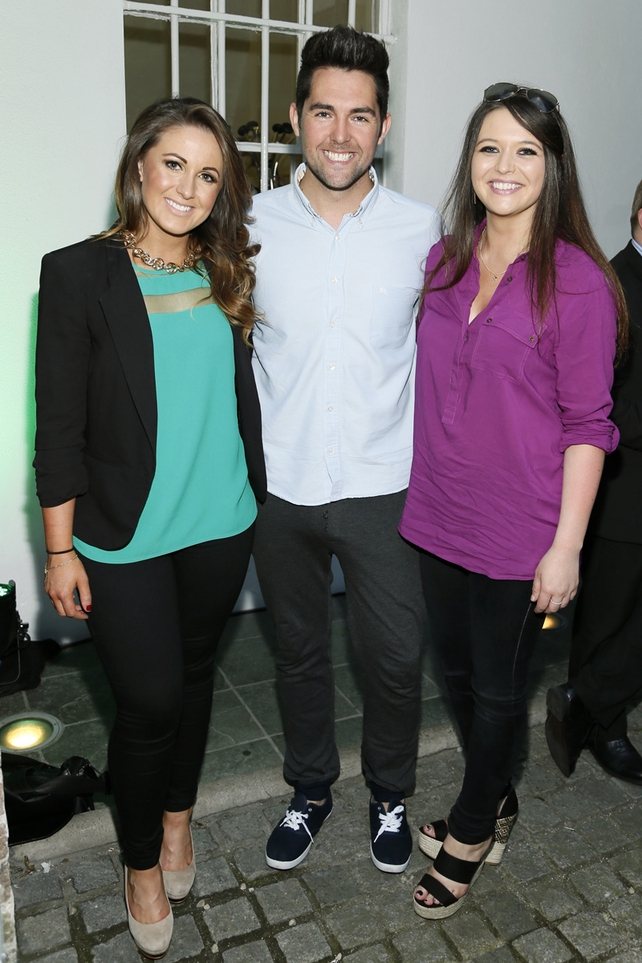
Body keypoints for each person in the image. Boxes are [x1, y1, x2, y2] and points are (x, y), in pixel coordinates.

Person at [34, 98, 266, 960]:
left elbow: (232, 397)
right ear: (139, 167)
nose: (189, 187)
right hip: (123, 534)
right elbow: (56, 426)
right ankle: (139, 862)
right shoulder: (77, 274)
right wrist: (58, 547)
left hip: (222, 520)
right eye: (174, 164)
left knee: (197, 677)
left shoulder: (226, 266)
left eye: (209, 174)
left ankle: (177, 823)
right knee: (151, 701)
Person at [399, 83, 627, 919]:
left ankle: (471, 829)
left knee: (499, 689)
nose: (505, 165)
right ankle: (496, 792)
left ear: (553, 165)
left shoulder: (578, 284)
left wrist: (566, 546)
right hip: (439, 510)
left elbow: (587, 426)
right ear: (470, 159)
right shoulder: (444, 260)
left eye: (526, 150)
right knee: (458, 675)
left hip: (521, 527)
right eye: (491, 147)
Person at [249, 25, 440, 874]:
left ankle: (391, 790)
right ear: (294, 116)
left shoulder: (422, 229)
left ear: (384, 126)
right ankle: (311, 787)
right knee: (296, 653)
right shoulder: (248, 224)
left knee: (395, 656)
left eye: (359, 115)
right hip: (279, 487)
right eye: (323, 111)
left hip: (385, 485)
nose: (339, 133)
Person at [546, 179, 642, 786]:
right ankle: (605, 727)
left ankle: (585, 700)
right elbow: (592, 401)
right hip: (622, 493)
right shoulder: (611, 285)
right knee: (606, 620)